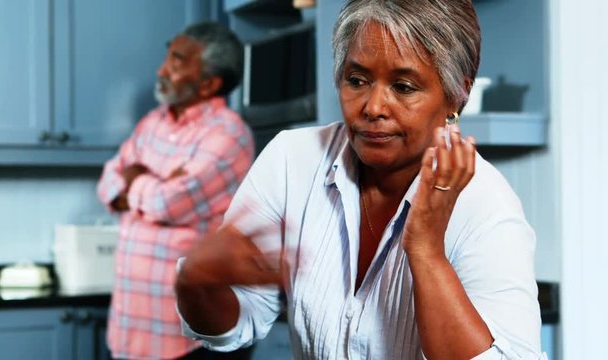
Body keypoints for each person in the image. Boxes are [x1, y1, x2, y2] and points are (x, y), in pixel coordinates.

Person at [175, 1, 546, 359]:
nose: (373, 107)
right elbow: (238, 320)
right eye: (357, 80)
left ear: (455, 96)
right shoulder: (291, 161)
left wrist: (427, 251)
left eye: (403, 87)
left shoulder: (486, 205)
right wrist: (197, 282)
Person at [97, 22, 254, 360]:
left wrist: (135, 179)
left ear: (209, 83)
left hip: (190, 340)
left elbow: (169, 203)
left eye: (177, 61)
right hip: (130, 330)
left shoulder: (229, 134)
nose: (161, 70)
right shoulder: (152, 122)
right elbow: (108, 180)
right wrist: (151, 184)